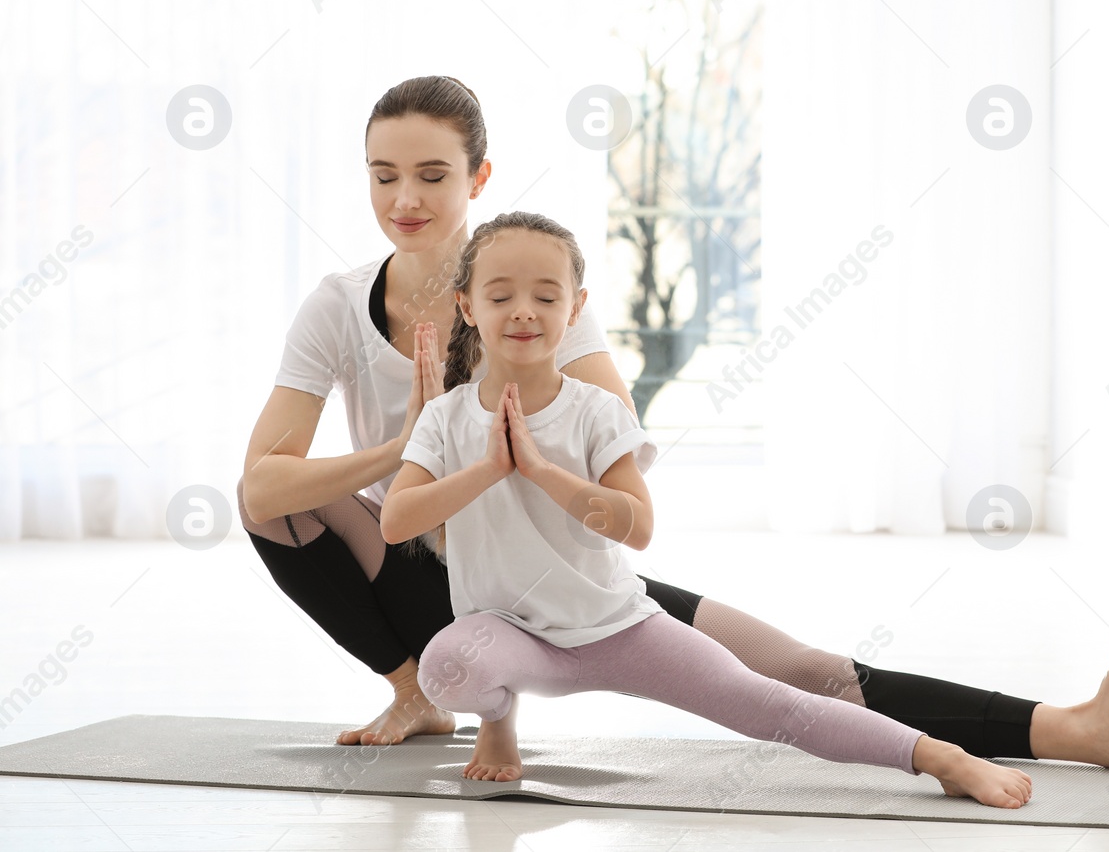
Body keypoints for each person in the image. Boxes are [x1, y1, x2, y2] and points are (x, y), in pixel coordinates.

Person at [237, 74, 1109, 772]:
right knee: (271, 505)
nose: (406, 197)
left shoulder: (534, 296)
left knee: (801, 669)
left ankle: (1073, 727)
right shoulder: (337, 306)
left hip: (566, 572)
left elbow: (616, 456)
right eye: (384, 174)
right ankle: (414, 691)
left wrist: (513, 430)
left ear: (478, 177)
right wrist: (407, 446)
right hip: (431, 582)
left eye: (433, 174)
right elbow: (263, 485)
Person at [379, 211, 1035, 806]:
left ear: (575, 307)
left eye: (546, 296)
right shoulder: (445, 419)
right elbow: (398, 519)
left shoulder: (596, 411)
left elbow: (638, 527)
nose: (524, 311)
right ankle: (499, 725)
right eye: (500, 296)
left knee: (767, 702)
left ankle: (938, 754)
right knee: (447, 667)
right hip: (509, 635)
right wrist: (489, 468)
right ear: (466, 304)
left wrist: (543, 472)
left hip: (617, 629)